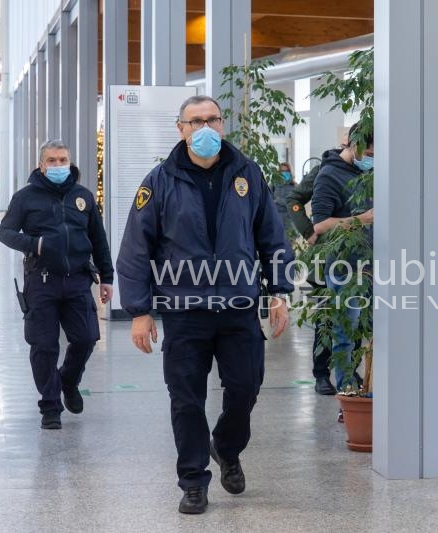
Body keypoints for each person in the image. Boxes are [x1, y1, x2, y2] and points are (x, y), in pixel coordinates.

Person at [116, 95, 294, 515]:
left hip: (238, 308)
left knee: (246, 389)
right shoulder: (158, 182)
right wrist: (140, 311)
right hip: (185, 311)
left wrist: (278, 292)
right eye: (195, 121)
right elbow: (135, 251)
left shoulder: (247, 174)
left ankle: (227, 449)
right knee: (186, 399)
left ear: (223, 124)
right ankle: (193, 481)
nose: (205, 128)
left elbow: (272, 237)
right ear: (180, 129)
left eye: (212, 119)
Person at [0, 140, 114, 430]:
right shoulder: (26, 197)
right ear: (41, 165)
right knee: (44, 346)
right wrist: (34, 244)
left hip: (77, 281)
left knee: (86, 338)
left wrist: (107, 276)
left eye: (63, 160)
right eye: (52, 160)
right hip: (42, 282)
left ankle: (68, 381)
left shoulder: (83, 197)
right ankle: (50, 405)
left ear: (70, 162)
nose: (59, 165)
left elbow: (98, 239)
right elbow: (5, 232)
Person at [311, 123, 374, 392]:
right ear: (354, 144)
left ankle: (367, 383)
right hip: (344, 266)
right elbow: (320, 224)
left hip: (375, 264)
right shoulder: (328, 175)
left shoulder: (375, 172)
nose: (372, 157)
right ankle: (346, 387)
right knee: (344, 332)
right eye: (369, 151)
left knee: (370, 331)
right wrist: (362, 219)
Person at [285, 158, 338, 395]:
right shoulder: (324, 170)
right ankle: (322, 374)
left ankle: (350, 371)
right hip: (325, 258)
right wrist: (307, 231)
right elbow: (293, 199)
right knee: (326, 318)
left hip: (361, 258)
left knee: (359, 319)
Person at [271, 162, 296, 236]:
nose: (284, 173)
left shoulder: (294, 187)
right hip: (275, 221)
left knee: (289, 245)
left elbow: (293, 204)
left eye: (286, 171)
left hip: (289, 222)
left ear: (290, 172)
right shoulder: (273, 185)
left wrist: (278, 200)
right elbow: (268, 201)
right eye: (282, 171)